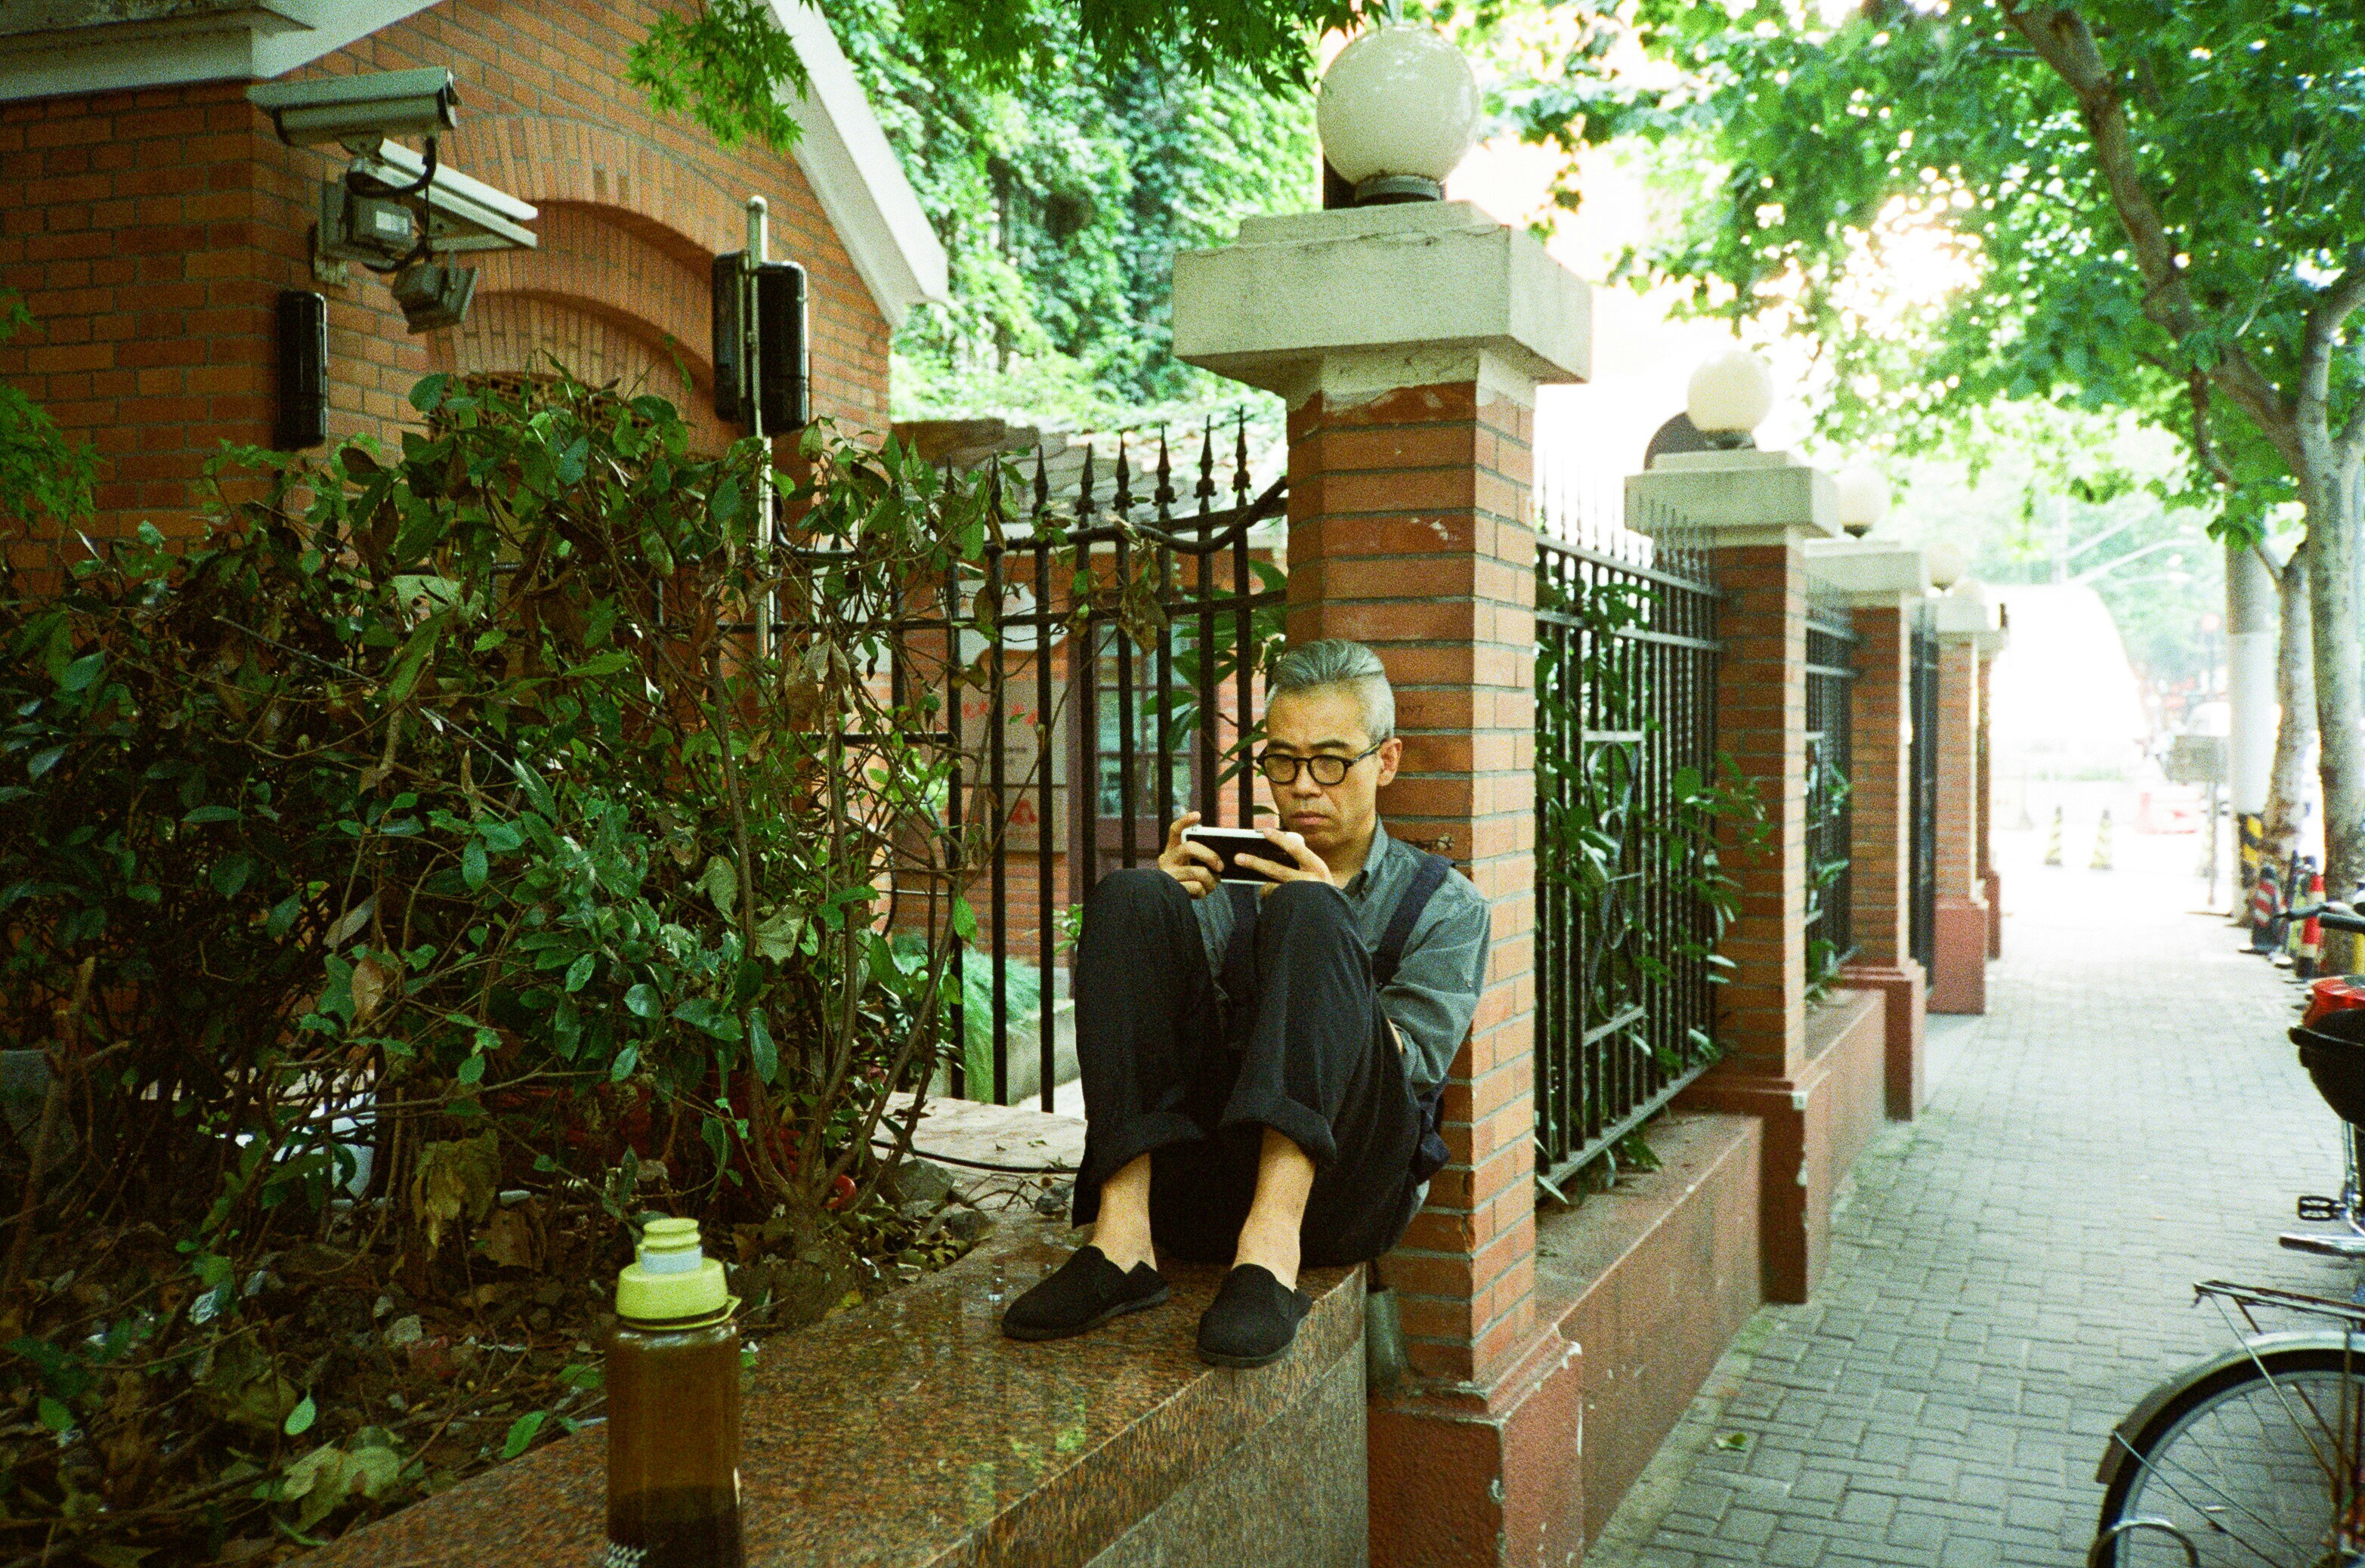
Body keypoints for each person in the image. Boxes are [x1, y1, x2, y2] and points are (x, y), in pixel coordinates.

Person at [999, 639, 1491, 1367]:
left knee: (1312, 915)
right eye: (1283, 763)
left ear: (1385, 762)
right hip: (1204, 1183)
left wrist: (1325, 937)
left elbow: (1412, 1066)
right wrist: (1169, 905)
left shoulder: (1447, 906)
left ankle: (1268, 1254)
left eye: (1330, 762)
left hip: (1340, 1197)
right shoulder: (1232, 881)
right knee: (1133, 896)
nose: (1304, 787)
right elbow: (1160, 1029)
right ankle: (1123, 1241)